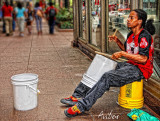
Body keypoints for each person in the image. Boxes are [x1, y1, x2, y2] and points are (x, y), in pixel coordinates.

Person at [60, 9, 155, 117]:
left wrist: (122, 54)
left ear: (139, 21)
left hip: (140, 70)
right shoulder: (130, 35)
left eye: (131, 18)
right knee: (101, 66)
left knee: (107, 76)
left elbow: (143, 59)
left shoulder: (144, 36)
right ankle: (77, 96)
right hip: (129, 65)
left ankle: (82, 106)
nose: (128, 20)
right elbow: (129, 51)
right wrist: (117, 41)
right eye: (128, 17)